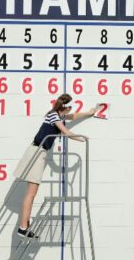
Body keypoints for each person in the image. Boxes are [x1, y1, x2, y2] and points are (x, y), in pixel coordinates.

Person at [13, 93, 96, 239]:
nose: (70, 111)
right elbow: (66, 132)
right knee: (31, 193)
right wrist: (81, 139)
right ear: (65, 107)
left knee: (32, 193)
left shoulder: (59, 115)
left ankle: (24, 226)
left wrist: (89, 113)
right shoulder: (54, 116)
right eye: (70, 108)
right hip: (36, 152)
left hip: (39, 152)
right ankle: (23, 227)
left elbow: (74, 117)